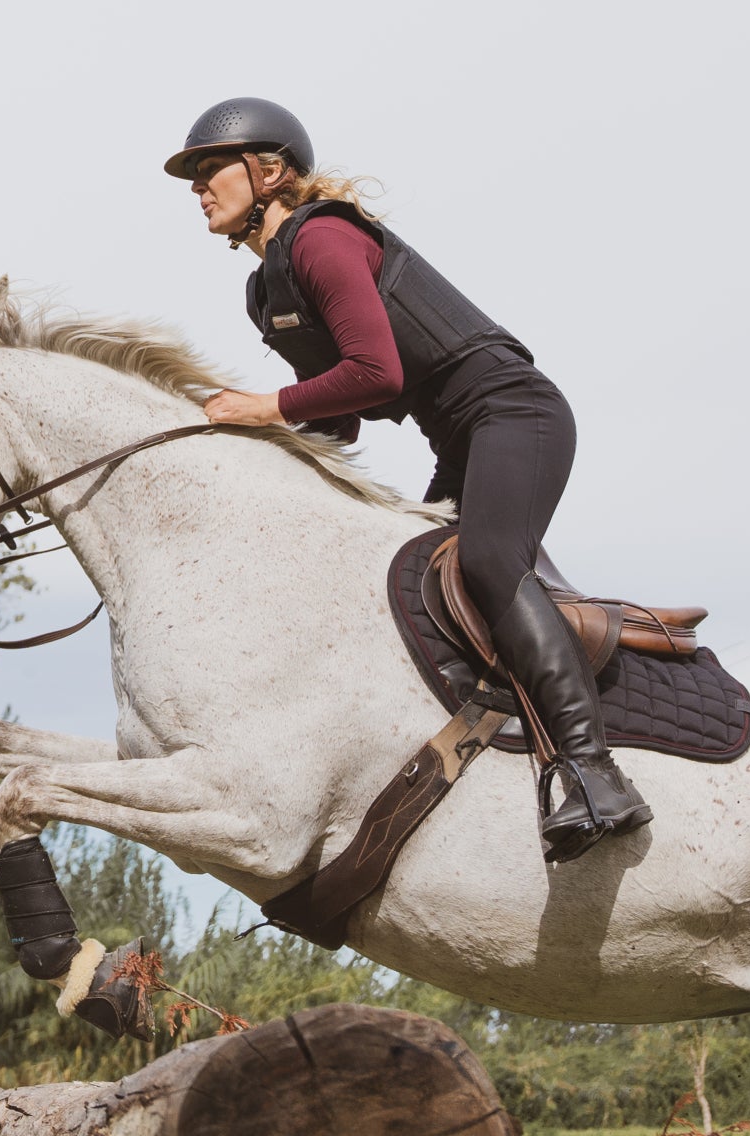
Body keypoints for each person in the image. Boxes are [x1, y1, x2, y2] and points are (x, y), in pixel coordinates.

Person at [170, 97, 651, 862]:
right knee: (403, 583)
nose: (197, 187)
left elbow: (374, 372)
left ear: (268, 170)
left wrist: (262, 406)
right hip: (460, 438)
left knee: (490, 563)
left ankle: (593, 773)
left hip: (512, 414)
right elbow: (337, 421)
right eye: (191, 176)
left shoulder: (323, 238)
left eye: (208, 168)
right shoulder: (267, 288)